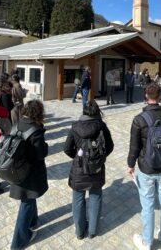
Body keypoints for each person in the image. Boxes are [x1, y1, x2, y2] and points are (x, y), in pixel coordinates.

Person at [127, 83, 161, 250]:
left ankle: (147, 242)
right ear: (160, 97)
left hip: (146, 168)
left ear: (146, 96)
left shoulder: (139, 119)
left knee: (148, 205)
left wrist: (130, 164)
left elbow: (134, 146)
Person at [64, 100, 114, 239]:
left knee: (78, 198)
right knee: (95, 196)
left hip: (79, 169)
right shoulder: (102, 126)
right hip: (97, 168)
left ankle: (79, 232)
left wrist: (78, 158)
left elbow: (67, 148)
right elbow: (110, 146)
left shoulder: (75, 127)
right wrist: (99, 158)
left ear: (84, 111)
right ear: (98, 112)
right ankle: (92, 230)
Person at [9, 100, 48, 249]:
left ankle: (33, 221)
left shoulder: (18, 124)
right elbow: (40, 154)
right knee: (27, 202)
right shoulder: (36, 130)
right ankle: (18, 242)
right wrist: (45, 145)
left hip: (18, 170)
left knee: (30, 198)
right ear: (38, 113)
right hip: (30, 174)